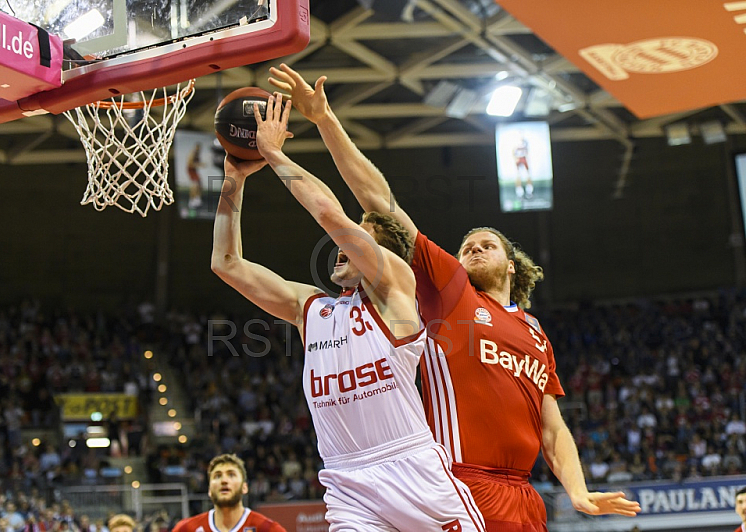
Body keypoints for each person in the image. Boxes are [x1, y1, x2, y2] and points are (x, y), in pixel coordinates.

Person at [267, 64, 641, 531]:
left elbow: (552, 426)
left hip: (524, 494)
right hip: (461, 482)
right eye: (466, 246)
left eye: (487, 244)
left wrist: (578, 489)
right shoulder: (451, 291)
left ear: (512, 265)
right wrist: (325, 120)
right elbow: (380, 202)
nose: (472, 247)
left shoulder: (535, 332)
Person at [211, 92, 484, 531]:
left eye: (359, 238)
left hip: (412, 469)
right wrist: (232, 183)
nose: (343, 244)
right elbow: (226, 264)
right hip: (346, 480)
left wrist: (274, 154)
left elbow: (328, 214)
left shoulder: (397, 287)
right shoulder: (311, 309)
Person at [172, 454, 285, 532]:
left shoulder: (267, 529)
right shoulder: (186, 529)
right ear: (210, 491)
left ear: (244, 488)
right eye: (217, 476)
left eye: (231, 475)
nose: (224, 480)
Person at [512, 135, 533, 199]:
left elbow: (527, 152)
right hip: (519, 160)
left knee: (528, 175)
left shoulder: (525, 144)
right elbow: (513, 152)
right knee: (518, 175)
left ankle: (529, 191)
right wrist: (516, 159)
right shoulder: (515, 144)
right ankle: (519, 192)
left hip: (524, 159)